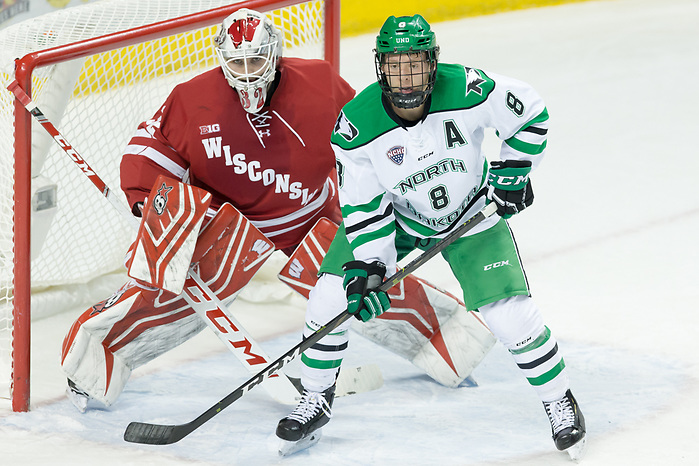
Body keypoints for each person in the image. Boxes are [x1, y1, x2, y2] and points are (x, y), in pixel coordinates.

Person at [276, 14, 586, 459]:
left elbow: (530, 110)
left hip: (472, 212)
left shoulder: (468, 89)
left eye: (416, 63)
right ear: (381, 66)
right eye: (396, 65)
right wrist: (372, 268)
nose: (407, 77)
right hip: (398, 218)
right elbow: (364, 207)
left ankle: (560, 400)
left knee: (511, 317)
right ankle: (317, 398)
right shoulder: (355, 128)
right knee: (330, 296)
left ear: (433, 62)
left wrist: (515, 169)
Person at [60, 8, 354, 410]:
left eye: (255, 60)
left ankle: (444, 338)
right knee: (172, 302)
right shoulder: (194, 98)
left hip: (310, 216)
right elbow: (153, 146)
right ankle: (93, 361)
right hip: (233, 227)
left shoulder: (321, 84)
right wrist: (148, 196)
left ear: (275, 54)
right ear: (221, 58)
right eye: (237, 61)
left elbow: (361, 143)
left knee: (366, 279)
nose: (247, 72)